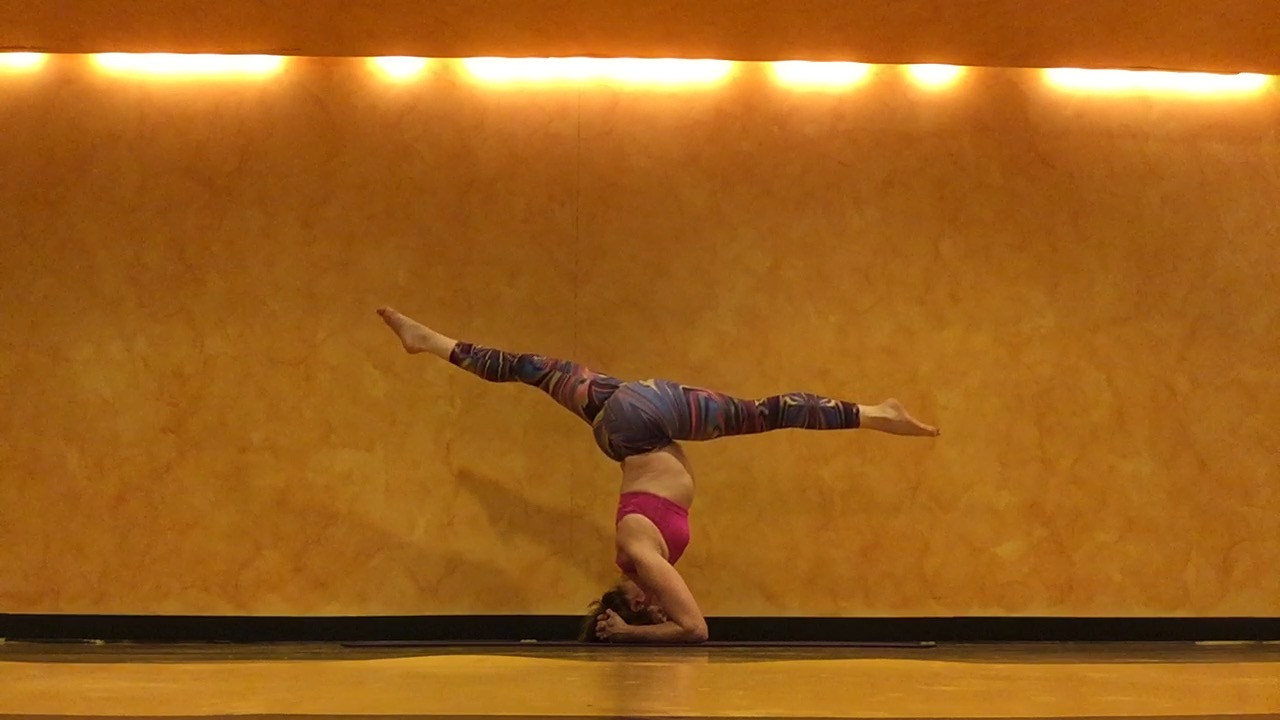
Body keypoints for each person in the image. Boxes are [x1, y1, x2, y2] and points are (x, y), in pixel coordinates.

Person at [376, 307, 940, 644]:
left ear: (630, 596)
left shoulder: (638, 555)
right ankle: (432, 342)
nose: (647, 602)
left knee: (767, 412)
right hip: (625, 424)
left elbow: (695, 630)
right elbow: (683, 622)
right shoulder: (643, 557)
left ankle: (876, 414)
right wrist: (632, 629)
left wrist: (628, 634)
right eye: (643, 607)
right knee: (535, 370)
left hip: (640, 421)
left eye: (635, 603)